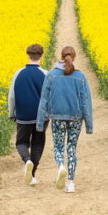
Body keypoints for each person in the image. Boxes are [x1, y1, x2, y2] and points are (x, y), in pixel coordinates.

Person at [36, 46, 93, 193]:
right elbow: (85, 101)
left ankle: (61, 165)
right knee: (72, 148)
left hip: (57, 117)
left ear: (61, 56)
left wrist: (40, 122)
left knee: (58, 147)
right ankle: (71, 183)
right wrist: (89, 124)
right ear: (74, 58)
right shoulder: (80, 76)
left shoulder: (51, 75)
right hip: (76, 118)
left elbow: (44, 99)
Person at [8, 43, 48, 185]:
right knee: (38, 143)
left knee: (21, 142)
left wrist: (12, 113)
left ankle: (27, 160)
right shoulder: (45, 74)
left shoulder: (18, 73)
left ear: (28, 55)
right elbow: (49, 95)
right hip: (41, 117)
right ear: (41, 56)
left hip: (23, 115)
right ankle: (32, 175)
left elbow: (12, 96)